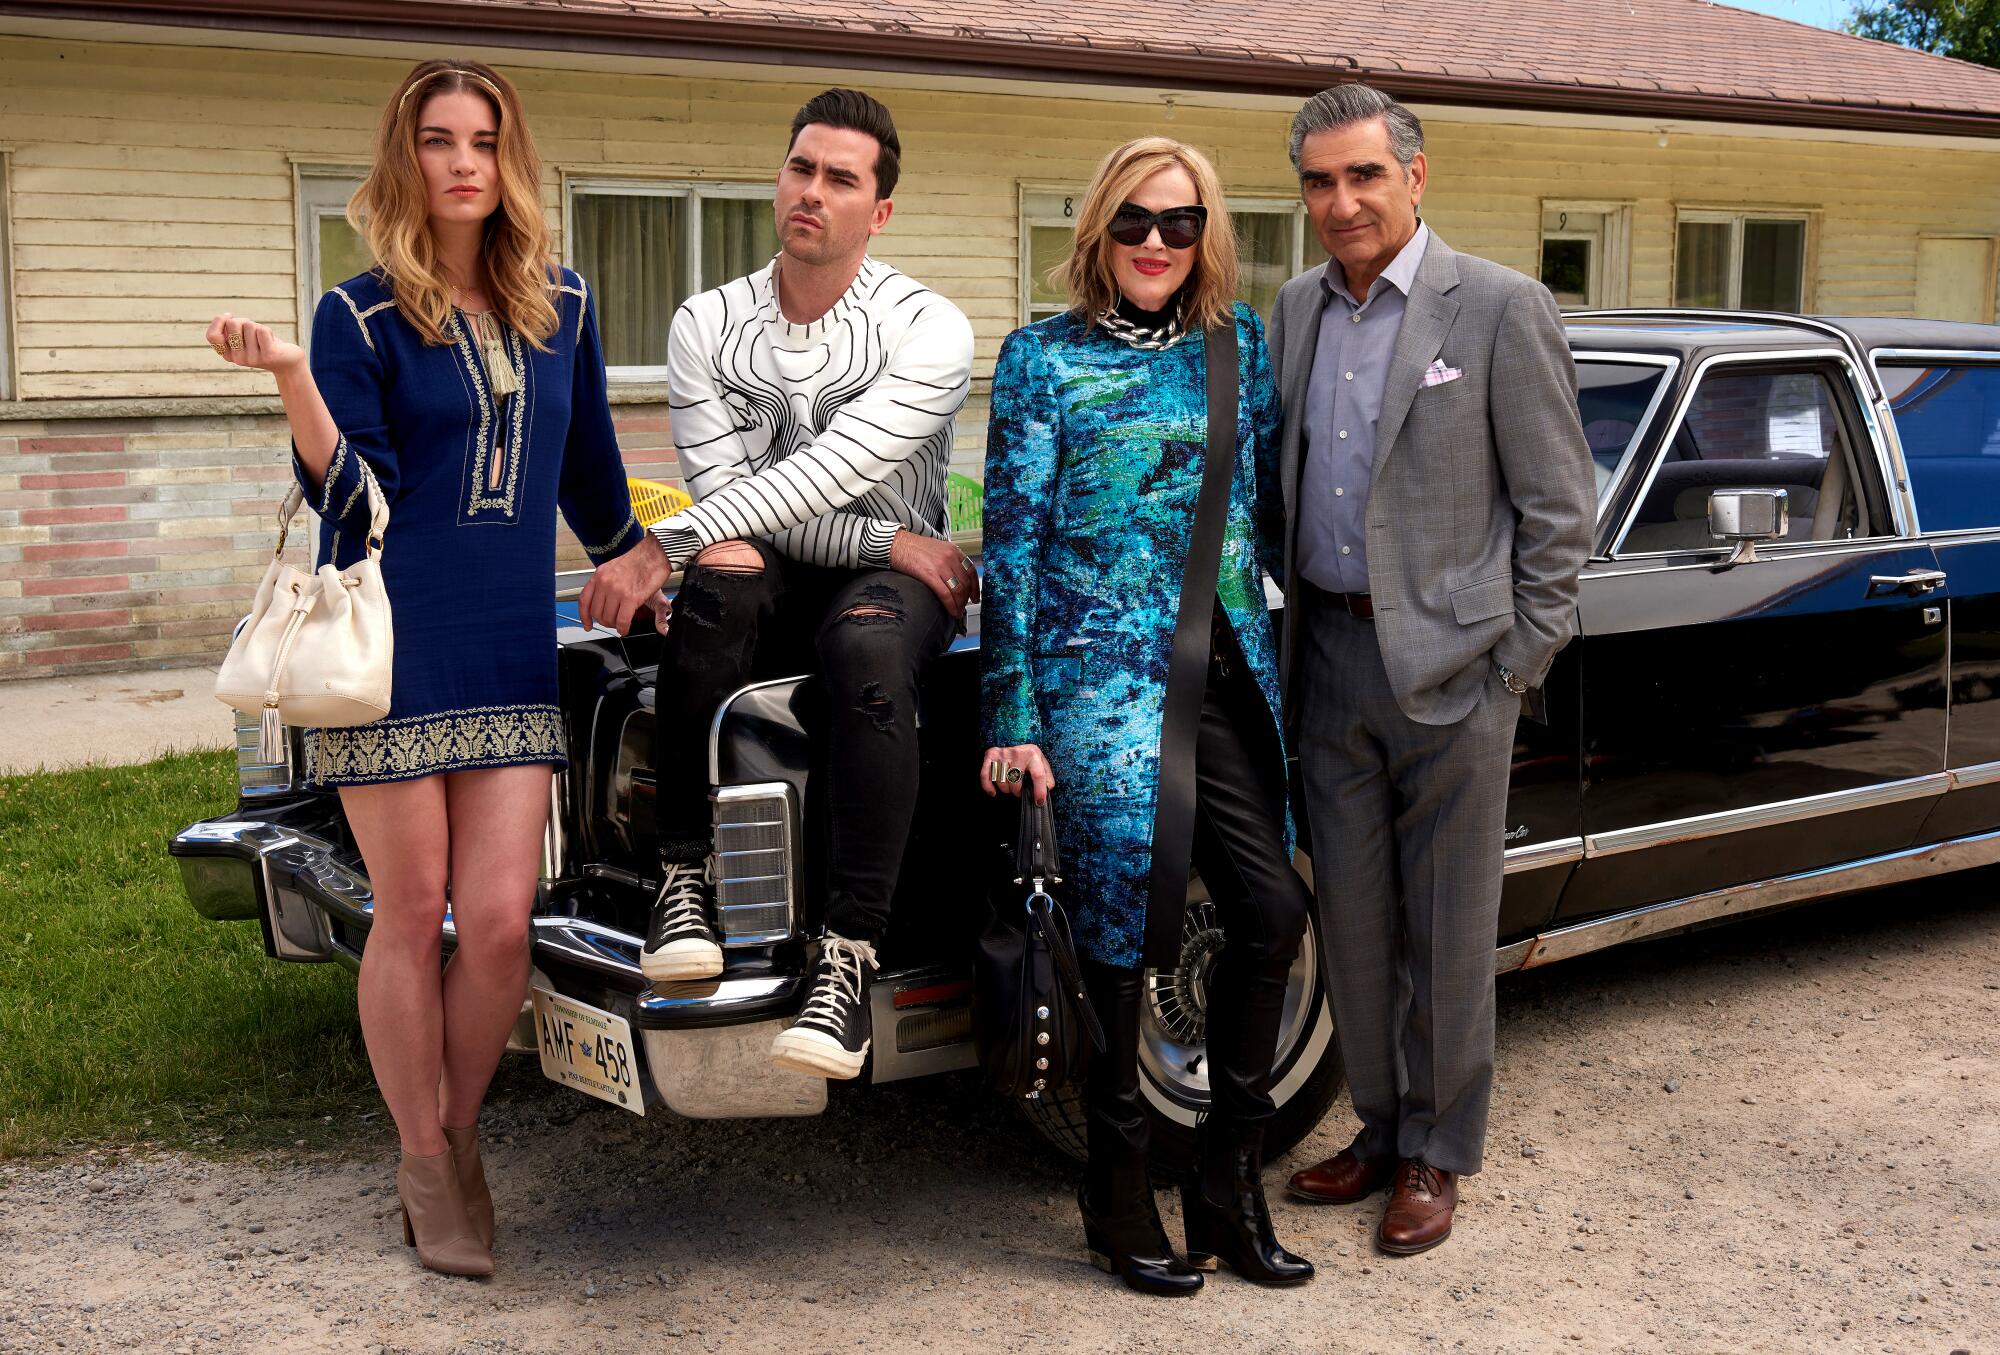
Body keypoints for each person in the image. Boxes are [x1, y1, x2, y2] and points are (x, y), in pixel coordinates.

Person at [204, 59, 665, 1277]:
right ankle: (424, 1154)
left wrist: (654, 555)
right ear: (403, 159)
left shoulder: (561, 301)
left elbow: (593, 478)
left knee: (504, 925)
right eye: (437, 139)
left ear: (507, 160)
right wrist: (297, 385)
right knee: (412, 916)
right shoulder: (353, 319)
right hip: (392, 653)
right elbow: (357, 510)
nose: (462, 160)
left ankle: (456, 1133)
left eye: (483, 139)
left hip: (514, 652)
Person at [981, 137, 1313, 1297]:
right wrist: (1009, 710)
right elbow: (1008, 549)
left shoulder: (1238, 350)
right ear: (1096, 232)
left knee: (1269, 910)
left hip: (1219, 671)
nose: (1156, 243)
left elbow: (1259, 525)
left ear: (1206, 234)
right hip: (1094, 676)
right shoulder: (1039, 361)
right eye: (1133, 222)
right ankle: (1117, 1189)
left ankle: (1225, 1183)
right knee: (1123, 927)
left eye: (1178, 223)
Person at [1269, 84, 1595, 1255]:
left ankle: (1437, 1151)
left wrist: (1515, 663)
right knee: (1352, 922)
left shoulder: (1500, 306)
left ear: (1414, 176)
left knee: (1450, 931)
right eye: (1319, 181)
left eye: (1362, 175)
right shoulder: (1294, 308)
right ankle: (1377, 1124)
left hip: (1458, 673)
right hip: (1328, 660)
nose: (1341, 201)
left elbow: (1560, 511)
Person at [615, 89, 977, 1082]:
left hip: (880, 592)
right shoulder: (706, 322)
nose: (811, 192)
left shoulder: (927, 328)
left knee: (861, 648)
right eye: (800, 168)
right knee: (720, 580)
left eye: (841, 179)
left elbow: (822, 471)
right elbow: (734, 502)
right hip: (832, 556)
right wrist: (883, 536)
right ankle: (681, 878)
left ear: (880, 209)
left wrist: (665, 543)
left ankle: (847, 963)